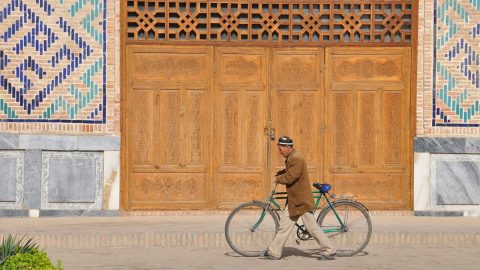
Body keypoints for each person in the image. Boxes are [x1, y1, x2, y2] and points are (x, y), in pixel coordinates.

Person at [263, 136, 336, 260]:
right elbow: (291, 172)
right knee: (285, 225)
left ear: (288, 147)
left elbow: (291, 177)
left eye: (281, 148)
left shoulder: (297, 158)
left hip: (300, 200)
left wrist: (279, 178)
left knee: (311, 227)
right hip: (294, 199)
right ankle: (274, 251)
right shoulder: (292, 157)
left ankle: (329, 249)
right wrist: (282, 173)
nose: (280, 151)